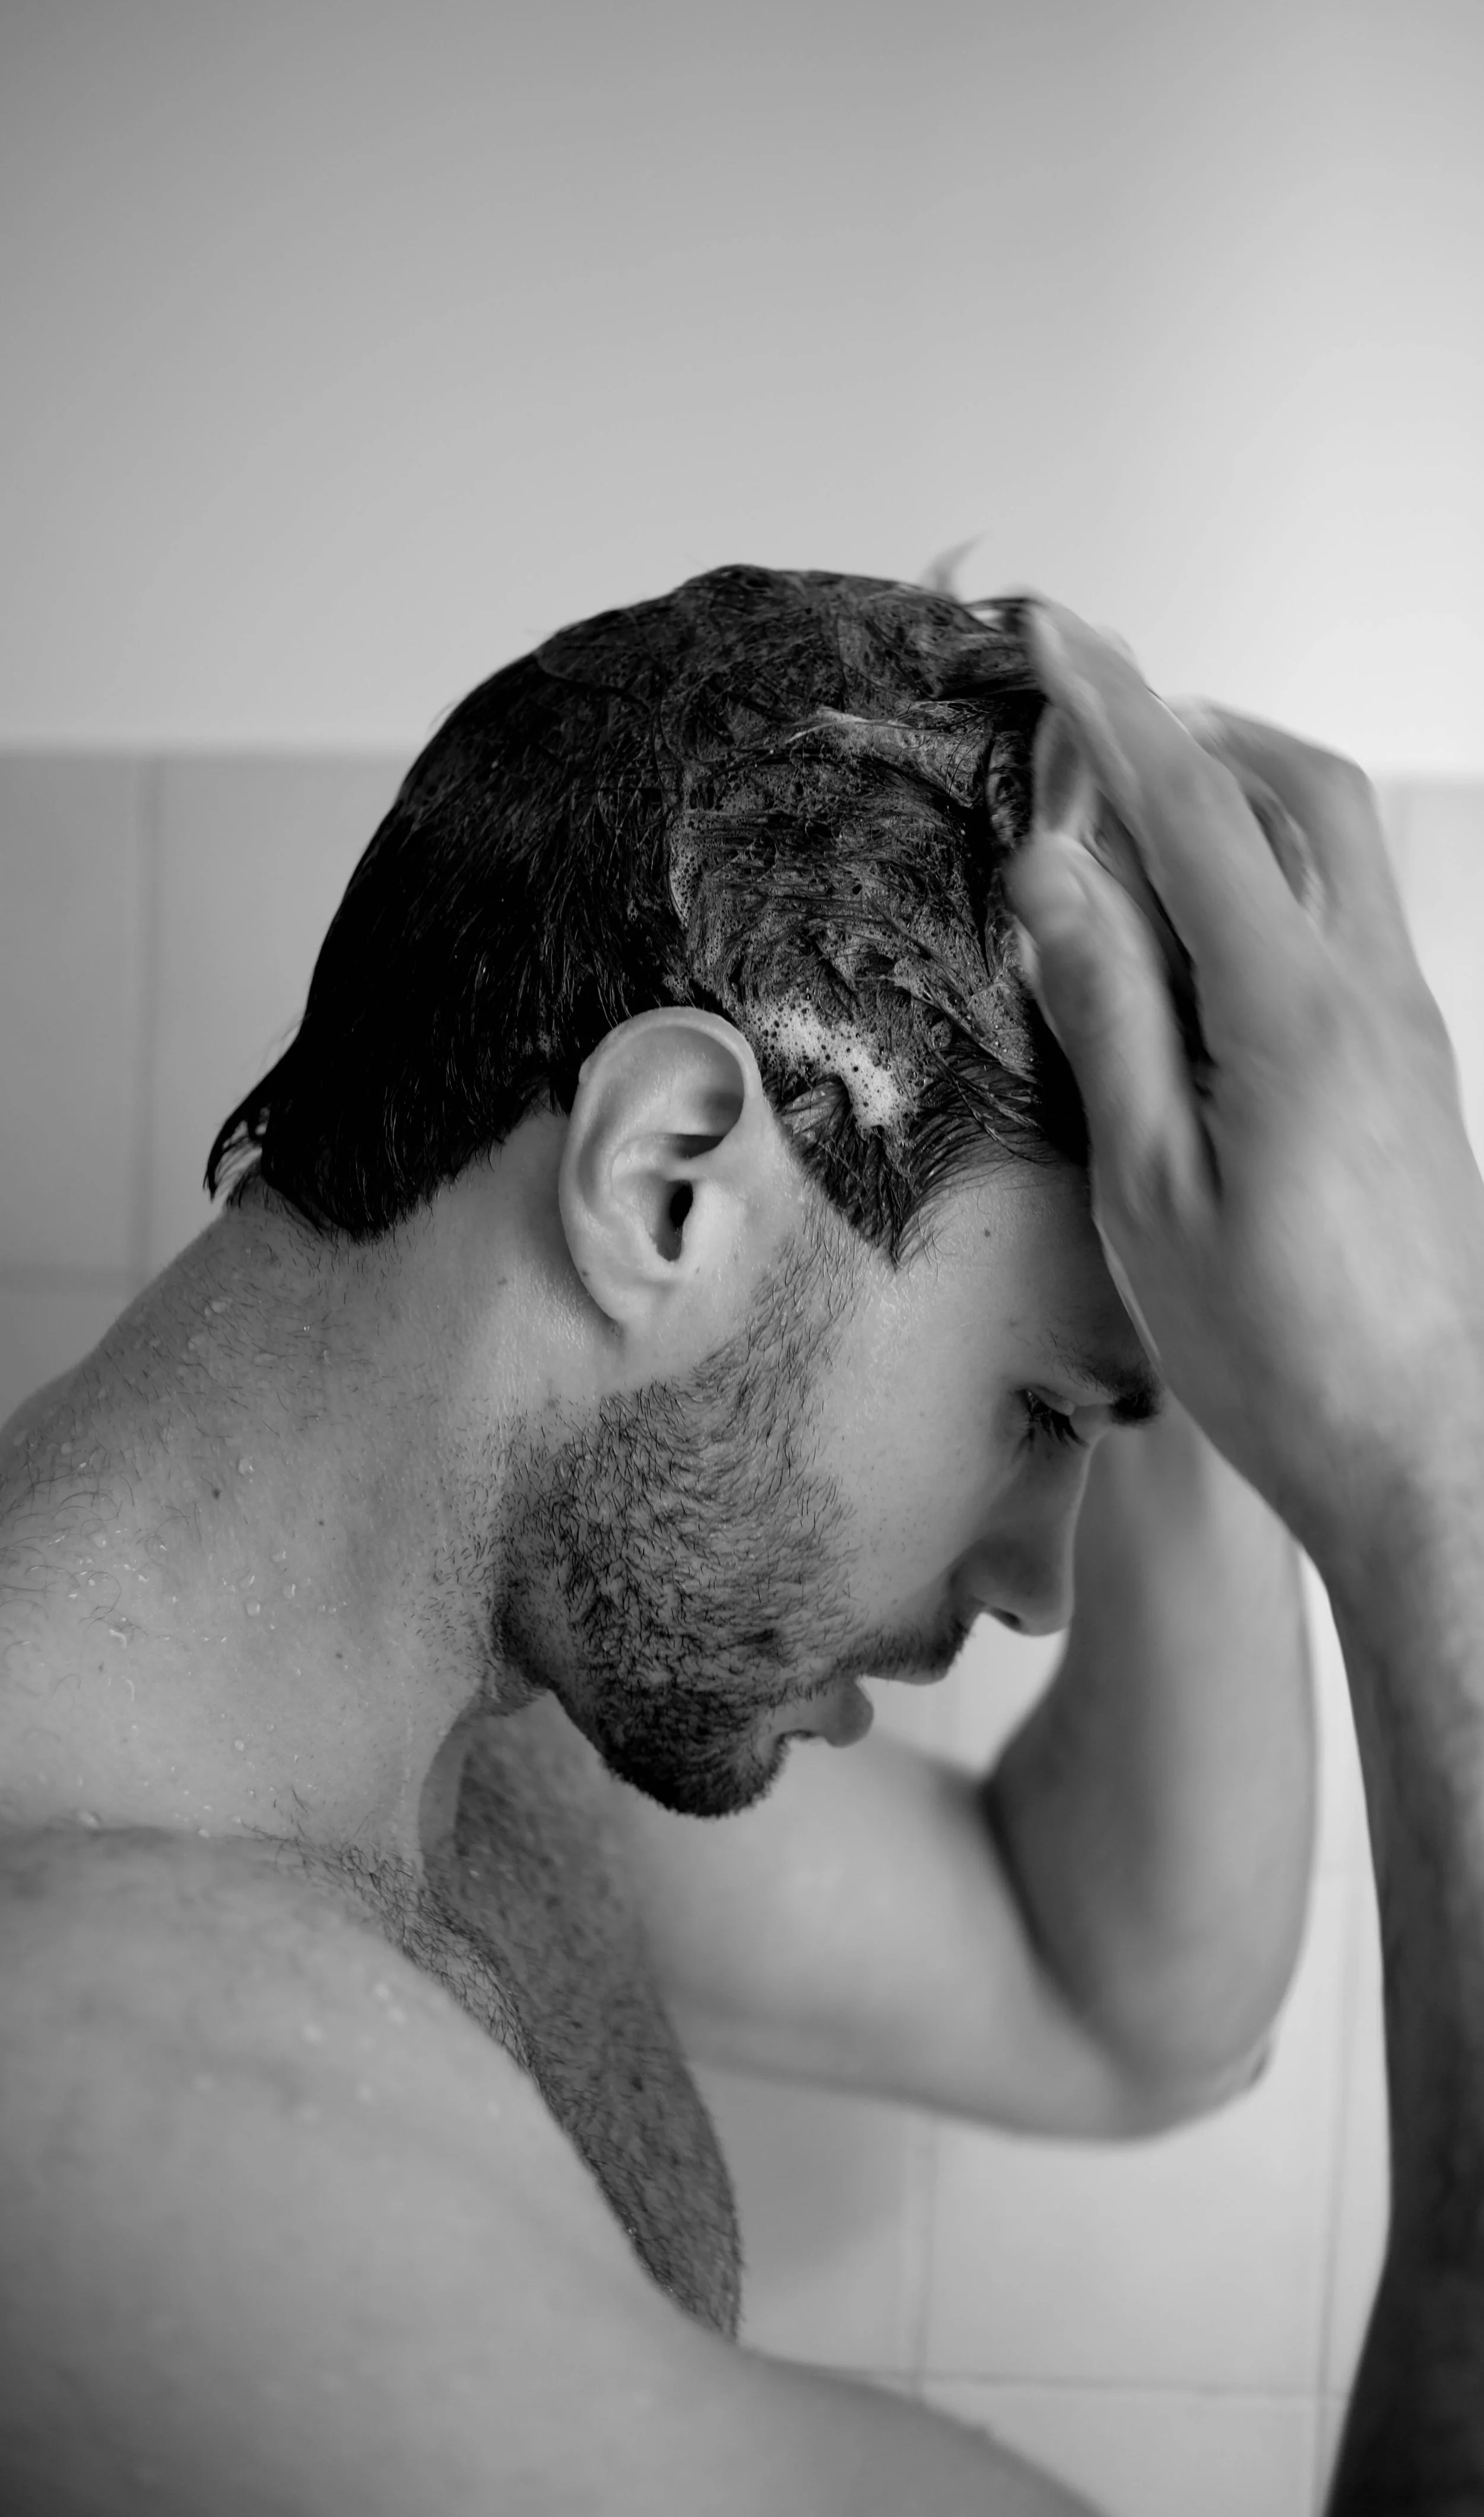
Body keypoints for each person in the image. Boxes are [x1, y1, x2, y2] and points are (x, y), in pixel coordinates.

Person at [0, 565, 1456, 2512]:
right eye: (1034, 1411)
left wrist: (1189, 1281)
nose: (1037, 1586)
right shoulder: (112, 2116)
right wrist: (1422, 1468)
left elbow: (1118, 1993)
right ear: (670, 1178)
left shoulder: (441, 1729)